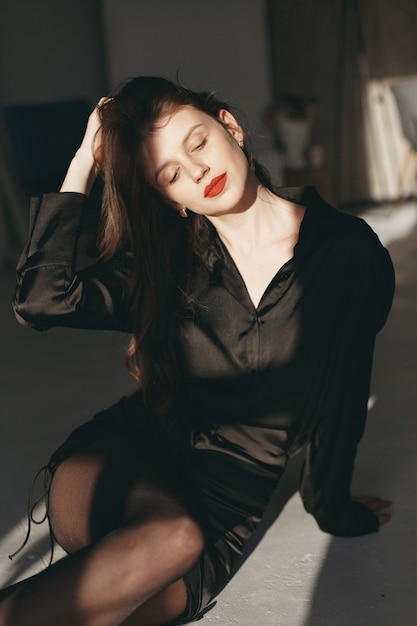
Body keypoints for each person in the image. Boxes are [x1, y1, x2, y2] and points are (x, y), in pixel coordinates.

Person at [1, 76, 394, 626]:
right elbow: (42, 301)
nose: (198, 172)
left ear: (230, 126)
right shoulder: (166, 266)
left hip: (227, 509)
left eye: (199, 143)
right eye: (170, 175)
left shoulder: (348, 254)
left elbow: (346, 387)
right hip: (120, 462)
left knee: (149, 586)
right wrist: (82, 164)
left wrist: (331, 505)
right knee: (172, 537)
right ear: (169, 199)